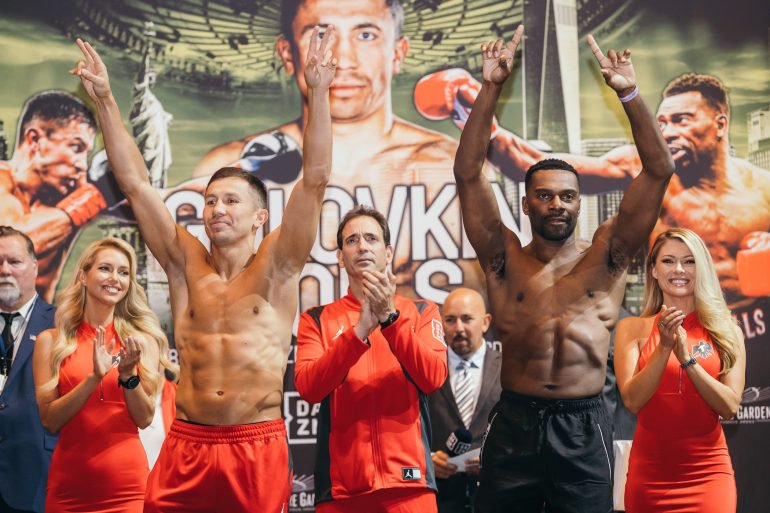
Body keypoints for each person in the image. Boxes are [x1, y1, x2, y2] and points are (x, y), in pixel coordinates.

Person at [70, 25, 335, 512]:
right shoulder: (183, 261)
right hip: (187, 443)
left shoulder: (278, 264)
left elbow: (315, 179)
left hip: (254, 445)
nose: (216, 209)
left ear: (260, 217)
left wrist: (318, 94)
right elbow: (135, 184)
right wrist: (105, 99)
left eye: (231, 201)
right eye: (211, 201)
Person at [453, 28, 676, 513]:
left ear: (580, 203)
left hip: (583, 427)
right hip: (514, 424)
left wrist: (630, 95)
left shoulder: (609, 256)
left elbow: (659, 170)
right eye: (545, 195)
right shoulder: (502, 259)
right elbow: (468, 174)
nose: (557, 204)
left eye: (568, 196)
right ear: (526, 203)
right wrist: (490, 88)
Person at [195, 0, 500, 307]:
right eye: (321, 36)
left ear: (398, 52)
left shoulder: (446, 164)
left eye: (365, 35)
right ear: (287, 53)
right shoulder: (229, 169)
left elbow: (484, 293)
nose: (342, 60)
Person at [426, 67, 770, 305]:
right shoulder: (636, 166)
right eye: (662, 123)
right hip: (673, 328)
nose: (667, 132)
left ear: (720, 123)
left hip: (756, 330)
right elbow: (532, 164)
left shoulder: (765, 190)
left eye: (681, 120)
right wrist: (473, 111)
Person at [295, 204, 448, 512]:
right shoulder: (316, 319)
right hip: (342, 493)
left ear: (388, 252)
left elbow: (433, 377)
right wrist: (358, 332)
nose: (362, 246)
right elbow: (309, 388)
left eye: (371, 238)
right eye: (352, 240)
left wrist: (390, 319)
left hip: (410, 487)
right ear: (340, 257)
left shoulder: (422, 311)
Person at [32, 237, 176, 513]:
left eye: (123, 272)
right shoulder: (50, 342)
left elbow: (145, 418)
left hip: (128, 492)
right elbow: (50, 420)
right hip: (68, 491)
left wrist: (128, 375)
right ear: (83, 276)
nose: (115, 278)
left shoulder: (142, 342)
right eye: (105, 268)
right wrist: (93, 378)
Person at [614, 228, 745, 512]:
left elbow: (730, 406)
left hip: (709, 475)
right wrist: (663, 347)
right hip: (649, 476)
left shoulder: (727, 331)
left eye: (689, 261)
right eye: (668, 261)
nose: (679, 270)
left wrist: (688, 360)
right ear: (653, 270)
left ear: (702, 268)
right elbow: (633, 401)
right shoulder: (631, 329)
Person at [0, 91, 108, 302]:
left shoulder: (73, 193)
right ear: (35, 140)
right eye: (76, 147)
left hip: (37, 321)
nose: (82, 165)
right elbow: (11, 248)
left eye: (86, 154)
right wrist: (94, 196)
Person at [429, 287, 501, 513]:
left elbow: (525, 431)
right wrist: (427, 460)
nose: (458, 328)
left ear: (486, 322)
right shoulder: (426, 368)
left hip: (496, 496)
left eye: (467, 319)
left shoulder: (510, 369)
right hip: (441, 498)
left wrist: (497, 458)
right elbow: (411, 427)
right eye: (450, 320)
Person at [0, 227, 56, 513]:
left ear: (35, 267)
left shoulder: (62, 325)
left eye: (14, 261)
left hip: (36, 478)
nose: (4, 270)